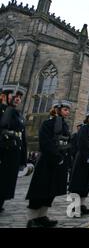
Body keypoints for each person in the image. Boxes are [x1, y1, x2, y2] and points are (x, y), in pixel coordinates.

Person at [25, 100, 71, 227]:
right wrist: (56, 156)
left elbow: (66, 142)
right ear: (57, 109)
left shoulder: (65, 125)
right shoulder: (47, 124)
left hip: (59, 162)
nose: (68, 112)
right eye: (65, 109)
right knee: (40, 190)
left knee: (51, 191)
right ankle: (32, 219)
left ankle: (42, 216)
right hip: (47, 162)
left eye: (68, 110)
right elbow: (45, 143)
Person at [68, 111, 89, 216]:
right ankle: (74, 206)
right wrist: (88, 156)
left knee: (86, 183)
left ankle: (82, 205)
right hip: (83, 159)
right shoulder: (84, 128)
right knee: (79, 183)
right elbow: (82, 143)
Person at [0, 86, 27, 214]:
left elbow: (22, 136)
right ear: (5, 96)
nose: (18, 99)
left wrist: (23, 159)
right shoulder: (2, 110)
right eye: (15, 96)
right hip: (3, 150)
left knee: (7, 178)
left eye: (20, 98)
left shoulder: (18, 115)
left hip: (14, 150)